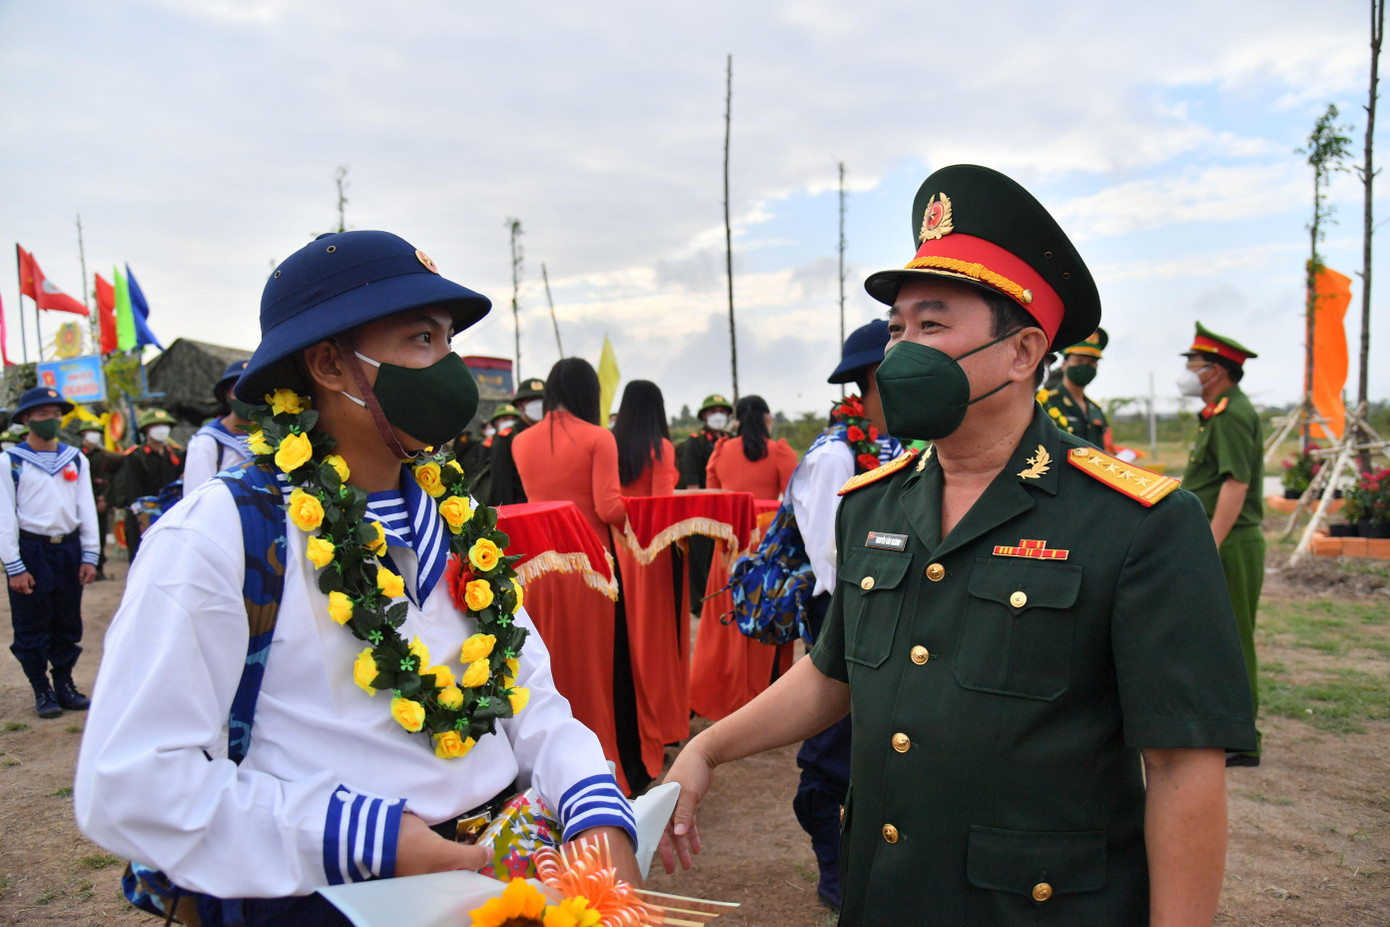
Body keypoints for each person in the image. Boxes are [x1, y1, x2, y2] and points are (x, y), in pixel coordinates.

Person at [661, 164, 1256, 926]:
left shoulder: (1140, 524)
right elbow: (833, 672)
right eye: (897, 329)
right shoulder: (871, 503)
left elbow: (1181, 767)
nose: (901, 352)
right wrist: (708, 748)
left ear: (1023, 351)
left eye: (932, 326)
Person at [76, 230, 639, 926]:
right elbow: (129, 780)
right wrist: (364, 838)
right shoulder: (221, 534)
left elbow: (532, 701)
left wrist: (591, 805)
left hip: (507, 873)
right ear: (329, 364)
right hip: (339, 898)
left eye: (449, 340)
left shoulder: (460, 521)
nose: (450, 369)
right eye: (421, 339)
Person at [785, 318, 901, 911]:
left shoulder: (898, 443)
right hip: (846, 609)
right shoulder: (836, 454)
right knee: (831, 747)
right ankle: (834, 871)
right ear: (874, 378)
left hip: (891, 608)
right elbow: (831, 553)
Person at [511, 359, 646, 790]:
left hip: (537, 568)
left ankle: (555, 768)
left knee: (548, 669)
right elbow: (608, 507)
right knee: (600, 671)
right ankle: (611, 761)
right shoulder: (598, 437)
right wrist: (646, 512)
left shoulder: (520, 441)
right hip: (591, 568)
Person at [1180, 322, 1265, 768]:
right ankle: (1227, 728)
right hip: (1224, 537)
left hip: (1231, 540)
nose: (1187, 372)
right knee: (1217, 636)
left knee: (1233, 638)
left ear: (1214, 370)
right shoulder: (1219, 412)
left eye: (1193, 363)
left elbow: (1236, 484)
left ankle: (1242, 738)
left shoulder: (1231, 414)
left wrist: (1209, 544)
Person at [1, 387, 100, 718]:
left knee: (67, 619)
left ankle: (64, 683)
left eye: (57, 414)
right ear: (27, 418)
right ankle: (41, 688)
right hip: (32, 549)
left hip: (68, 547)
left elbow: (86, 508)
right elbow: (4, 516)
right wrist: (14, 565)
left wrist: (90, 554)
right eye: (43, 414)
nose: (52, 420)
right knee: (31, 621)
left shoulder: (76, 458)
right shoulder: (10, 461)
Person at [676, 394, 732, 618]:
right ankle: (700, 606)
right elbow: (691, 481)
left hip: (725, 510)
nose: (718, 415)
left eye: (722, 410)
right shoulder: (695, 442)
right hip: (700, 510)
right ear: (704, 415)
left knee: (721, 559)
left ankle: (722, 601)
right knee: (700, 559)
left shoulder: (731, 440)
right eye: (713, 411)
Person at [108, 408, 184, 559]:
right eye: (156, 425)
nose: (162, 429)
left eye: (165, 425)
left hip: (171, 515)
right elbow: (132, 491)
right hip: (142, 517)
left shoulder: (177, 454)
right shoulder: (135, 456)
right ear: (146, 429)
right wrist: (143, 518)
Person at [704, 395, 798, 501]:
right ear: (767, 418)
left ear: (737, 422)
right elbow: (794, 499)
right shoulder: (780, 452)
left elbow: (712, 497)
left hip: (729, 512)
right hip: (768, 512)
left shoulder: (720, 451)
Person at [184, 359, 253, 491]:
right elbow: (196, 495)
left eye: (254, 388)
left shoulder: (272, 437)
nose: (247, 396)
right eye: (239, 389)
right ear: (226, 395)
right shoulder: (207, 441)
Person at [487, 377, 545, 507]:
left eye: (542, 399)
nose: (539, 405)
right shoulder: (507, 437)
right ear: (520, 404)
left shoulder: (552, 432)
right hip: (521, 504)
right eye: (532, 400)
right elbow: (501, 481)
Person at [614, 380, 678, 497]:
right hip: (646, 509)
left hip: (617, 508)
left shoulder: (612, 443)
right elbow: (662, 501)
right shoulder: (660, 447)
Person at [78, 423, 124, 580]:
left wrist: (106, 497)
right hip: (82, 501)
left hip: (100, 501)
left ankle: (98, 567)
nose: (94, 434)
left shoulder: (105, 456)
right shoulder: (76, 455)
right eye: (91, 431)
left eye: (97, 432)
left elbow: (117, 471)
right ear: (83, 434)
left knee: (100, 533)